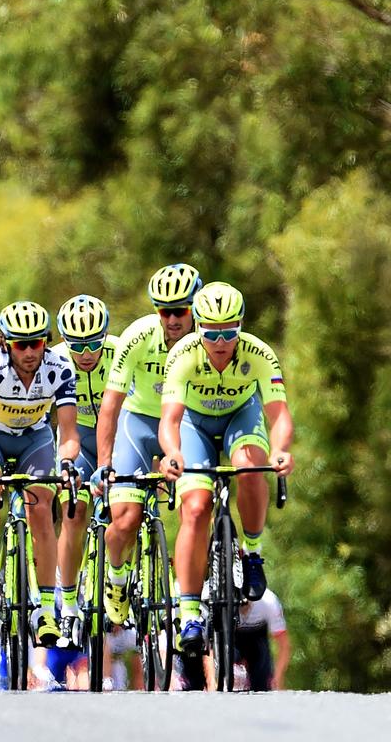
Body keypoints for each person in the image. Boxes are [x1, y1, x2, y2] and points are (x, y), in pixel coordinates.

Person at [159, 281, 294, 653]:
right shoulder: (183, 355)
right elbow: (170, 419)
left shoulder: (260, 354)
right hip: (194, 425)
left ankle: (251, 552)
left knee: (251, 469)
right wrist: (172, 453)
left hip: (240, 417)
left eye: (230, 332)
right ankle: (189, 612)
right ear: (197, 326)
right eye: (211, 333)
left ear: (241, 326)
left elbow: (279, 414)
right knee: (196, 506)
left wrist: (280, 450)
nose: (220, 342)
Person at [0, 301, 79, 646]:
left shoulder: (59, 367)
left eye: (36, 343)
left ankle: (47, 608)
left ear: (46, 342)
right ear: (5, 343)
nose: (28, 352)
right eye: (20, 344)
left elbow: (68, 432)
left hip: (34, 439)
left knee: (41, 506)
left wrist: (67, 463)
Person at [94, 263, 202, 627]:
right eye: (164, 310)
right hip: (138, 422)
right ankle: (117, 577)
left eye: (180, 310)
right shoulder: (137, 336)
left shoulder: (211, 338)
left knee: (196, 505)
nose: (172, 319)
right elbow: (110, 404)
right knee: (124, 519)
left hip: (187, 423)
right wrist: (105, 463)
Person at [50, 295, 118, 647]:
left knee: (125, 508)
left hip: (116, 437)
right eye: (78, 345)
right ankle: (69, 601)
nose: (87, 352)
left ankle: (122, 575)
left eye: (94, 343)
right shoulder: (55, 360)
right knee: (73, 512)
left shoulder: (121, 352)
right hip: (74, 438)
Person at [234, 588, 290, 691]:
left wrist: (277, 678)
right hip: (230, 637)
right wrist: (211, 681)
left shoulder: (269, 601)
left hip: (257, 638)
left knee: (262, 682)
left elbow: (283, 645)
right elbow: (208, 646)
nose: (244, 606)